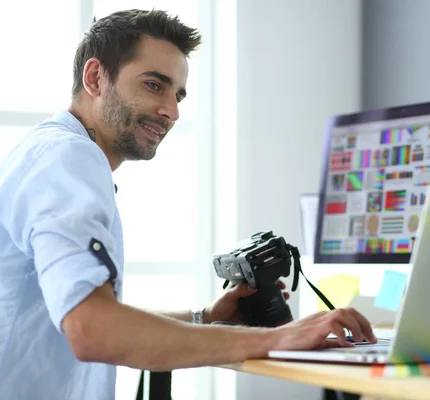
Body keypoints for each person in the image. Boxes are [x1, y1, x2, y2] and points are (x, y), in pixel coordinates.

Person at [0, 9, 376, 400]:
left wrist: (207, 318)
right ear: (95, 78)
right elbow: (93, 330)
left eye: (177, 95)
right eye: (153, 85)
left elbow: (86, 316)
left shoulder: (49, 154)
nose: (172, 111)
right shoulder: (70, 159)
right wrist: (276, 339)